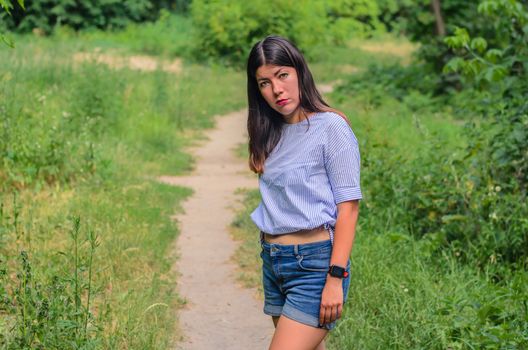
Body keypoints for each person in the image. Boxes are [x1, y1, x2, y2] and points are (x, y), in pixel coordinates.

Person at [246, 35, 362, 350]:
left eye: (282, 75)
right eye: (264, 83)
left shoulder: (331, 127)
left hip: (314, 265)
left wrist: (336, 277)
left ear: (299, 72)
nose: (276, 90)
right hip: (273, 262)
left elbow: (348, 209)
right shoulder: (269, 133)